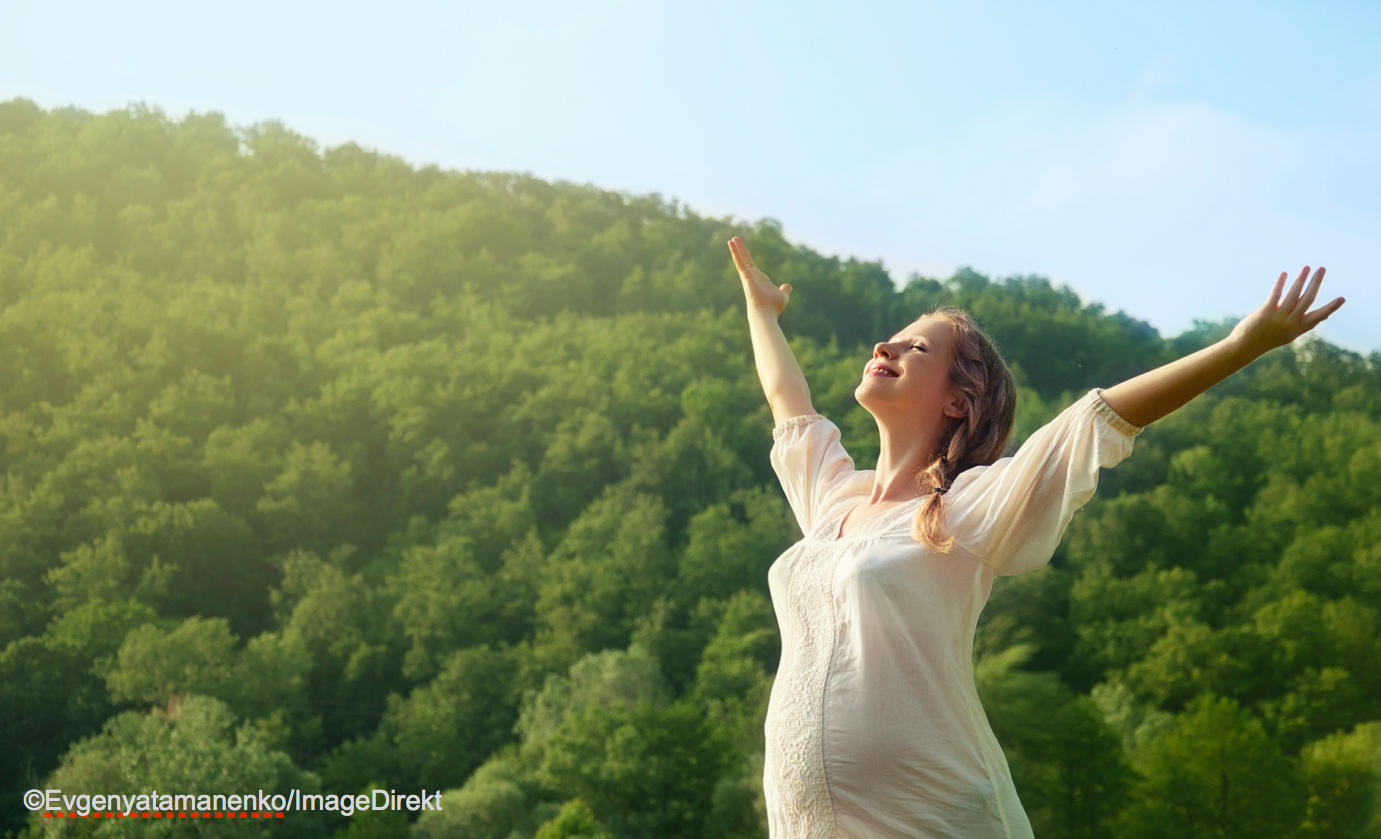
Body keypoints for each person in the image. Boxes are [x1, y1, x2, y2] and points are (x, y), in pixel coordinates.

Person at [727, 235, 1345, 839]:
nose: (884, 346)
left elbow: (1098, 418)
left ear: (957, 400)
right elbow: (790, 405)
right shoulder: (833, 502)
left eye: (917, 347)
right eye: (893, 338)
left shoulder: (965, 507)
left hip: (939, 816)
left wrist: (1240, 346)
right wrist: (763, 312)